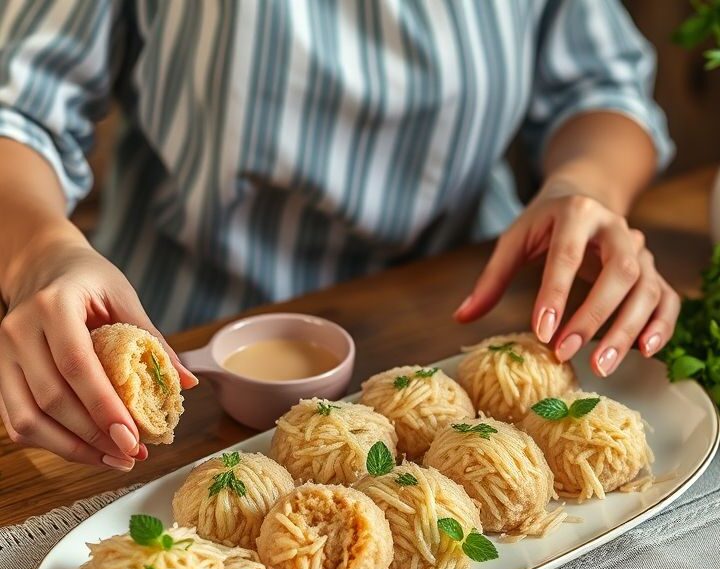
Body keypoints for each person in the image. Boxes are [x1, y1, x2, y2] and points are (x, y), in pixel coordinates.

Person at [0, 1, 679, 472]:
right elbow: (18, 107)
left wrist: (583, 187)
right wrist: (39, 253)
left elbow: (605, 89)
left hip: (463, 311)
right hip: (183, 339)